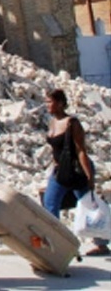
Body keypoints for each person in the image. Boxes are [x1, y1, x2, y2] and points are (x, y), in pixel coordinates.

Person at [42, 89, 109, 256]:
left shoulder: (72, 123)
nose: (47, 105)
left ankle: (101, 244)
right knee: (50, 204)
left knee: (88, 203)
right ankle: (56, 243)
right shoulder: (52, 123)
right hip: (60, 171)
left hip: (77, 170)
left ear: (60, 103)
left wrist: (89, 177)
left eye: (50, 102)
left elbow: (81, 150)